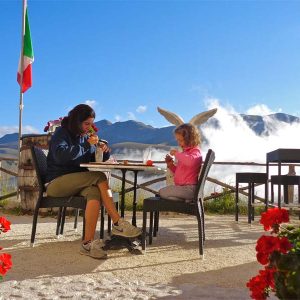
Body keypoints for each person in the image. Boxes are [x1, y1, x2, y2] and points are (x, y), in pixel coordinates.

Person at [46, 104, 141, 259]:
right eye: (87, 124)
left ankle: (87, 244)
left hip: (77, 183)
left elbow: (92, 159)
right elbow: (60, 155)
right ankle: (117, 223)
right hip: (56, 183)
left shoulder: (84, 137)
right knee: (100, 177)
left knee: (95, 192)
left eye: (91, 124)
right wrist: (85, 144)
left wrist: (102, 150)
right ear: (77, 121)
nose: (89, 128)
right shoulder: (61, 133)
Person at [159, 123, 202, 201]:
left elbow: (190, 162)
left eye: (181, 140)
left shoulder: (196, 152)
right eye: (178, 140)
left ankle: (185, 199)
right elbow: (180, 171)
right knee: (163, 192)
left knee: (162, 192)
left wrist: (176, 154)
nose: (179, 143)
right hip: (183, 189)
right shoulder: (185, 153)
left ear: (190, 139)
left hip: (189, 189)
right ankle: (184, 199)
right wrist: (171, 165)